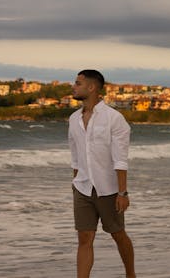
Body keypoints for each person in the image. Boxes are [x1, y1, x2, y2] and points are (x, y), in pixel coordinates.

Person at [68, 69, 136, 278]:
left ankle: (130, 274)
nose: (74, 86)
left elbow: (120, 159)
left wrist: (122, 193)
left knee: (117, 234)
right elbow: (75, 156)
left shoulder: (114, 119)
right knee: (85, 238)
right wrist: (75, 181)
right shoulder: (73, 119)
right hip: (82, 187)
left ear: (92, 87)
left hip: (109, 189)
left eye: (78, 83)